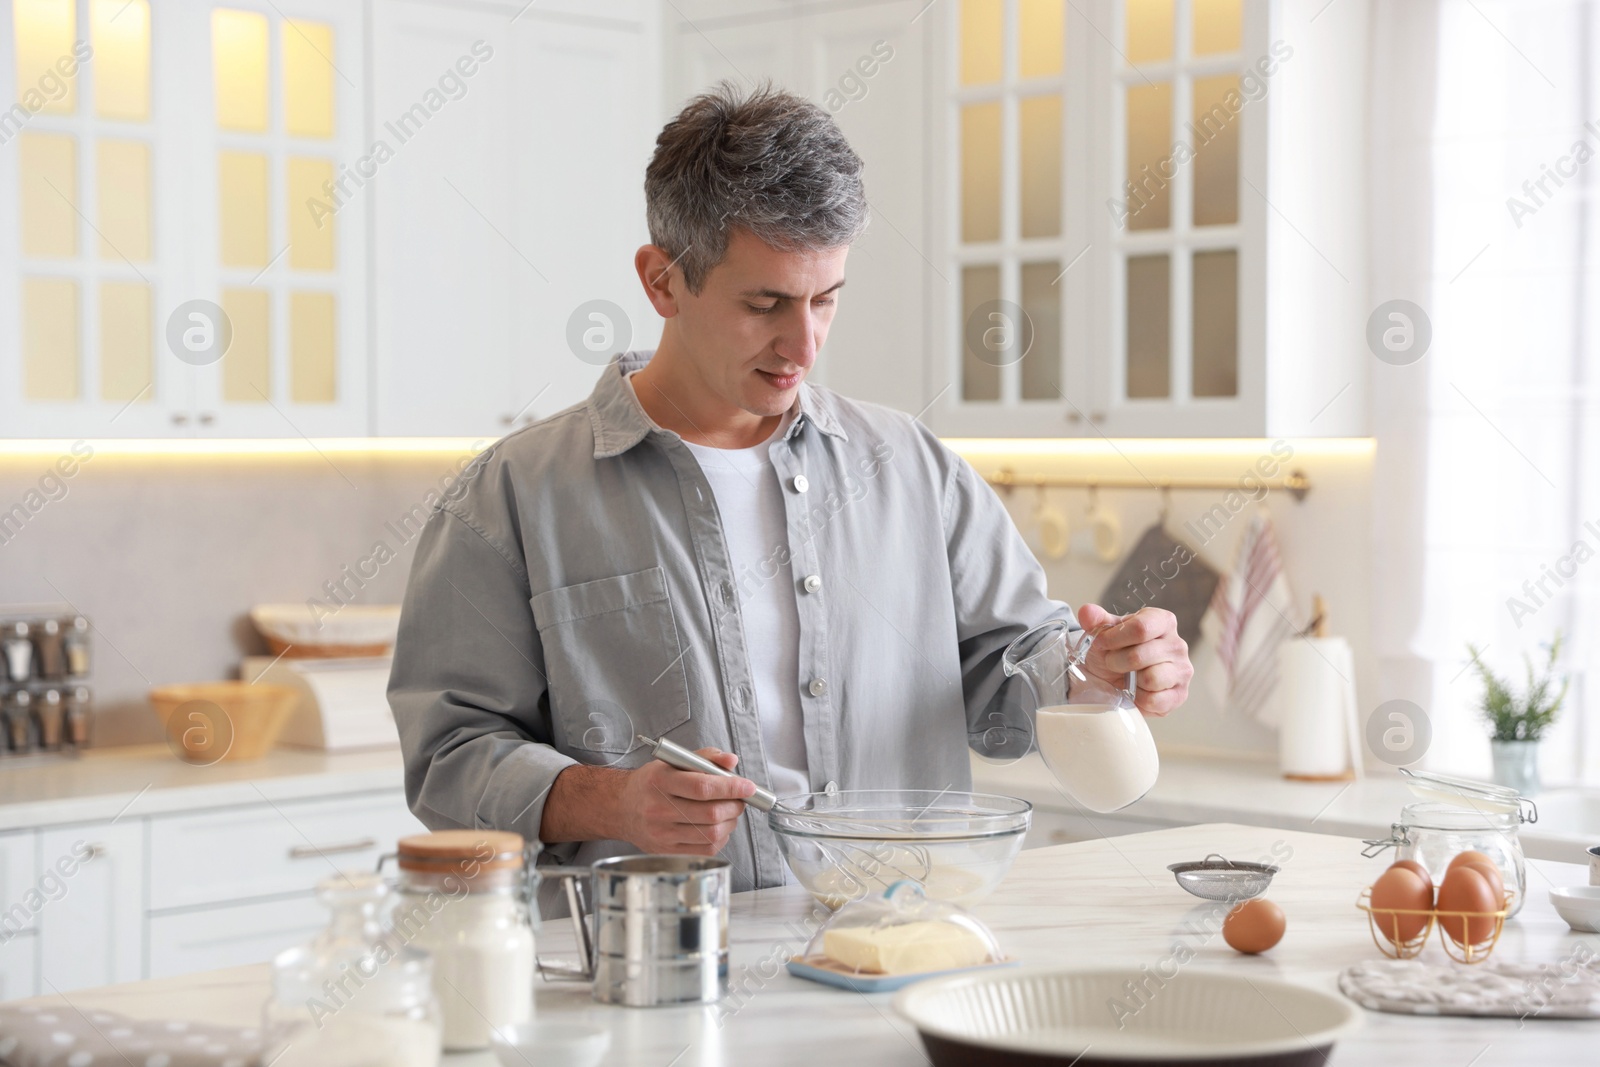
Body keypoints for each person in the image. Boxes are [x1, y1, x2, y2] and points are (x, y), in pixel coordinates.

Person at [388, 82, 1193, 901]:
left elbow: (1011, 669)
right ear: (662, 282)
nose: (803, 341)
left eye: (826, 298)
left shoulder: (910, 465)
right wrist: (612, 800)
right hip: (653, 966)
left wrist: (1098, 669)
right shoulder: (513, 494)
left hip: (899, 945)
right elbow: (448, 754)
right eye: (765, 303)